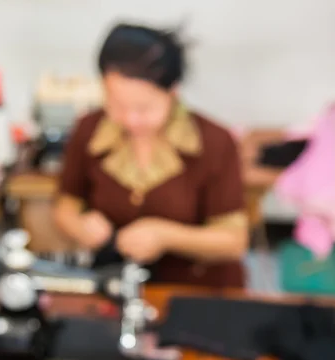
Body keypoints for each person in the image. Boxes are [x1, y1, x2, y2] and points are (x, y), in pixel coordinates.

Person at [53, 23, 248, 288]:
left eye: (143, 109)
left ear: (173, 92)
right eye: (117, 105)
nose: (130, 120)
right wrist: (80, 226)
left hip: (197, 291)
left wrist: (166, 236)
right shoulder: (89, 130)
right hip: (116, 286)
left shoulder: (214, 142)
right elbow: (66, 207)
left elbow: (234, 241)